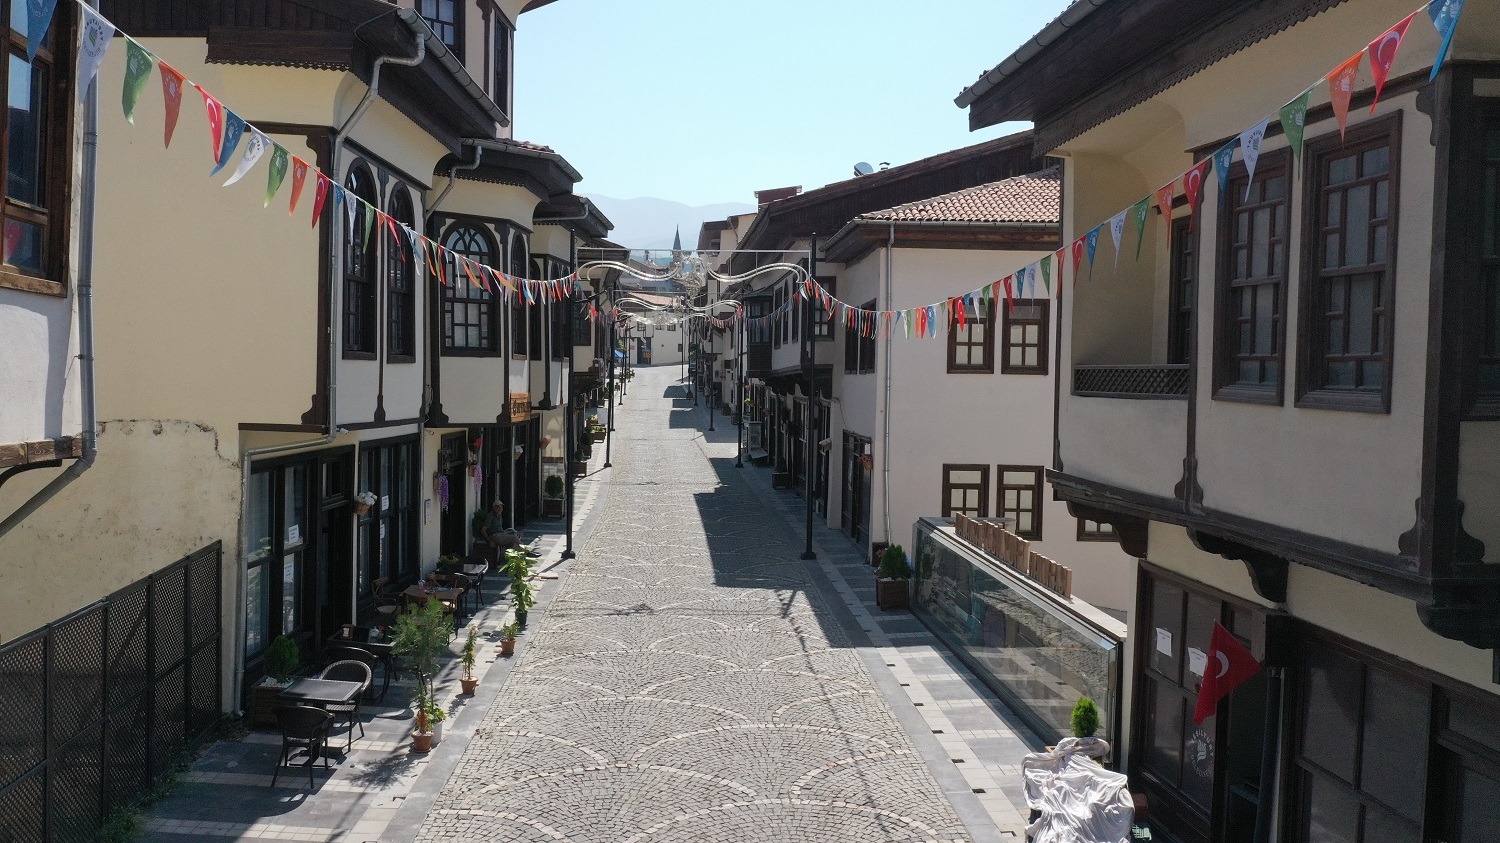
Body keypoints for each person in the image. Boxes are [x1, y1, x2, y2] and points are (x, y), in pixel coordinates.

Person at [474, 501, 538, 556]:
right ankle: (527, 552)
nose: (500, 509)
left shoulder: (500, 515)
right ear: (494, 508)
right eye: (498, 507)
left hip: (501, 534)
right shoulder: (490, 516)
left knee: (514, 542)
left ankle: (511, 558)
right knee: (514, 537)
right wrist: (489, 541)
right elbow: (483, 530)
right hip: (495, 536)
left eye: (501, 507)